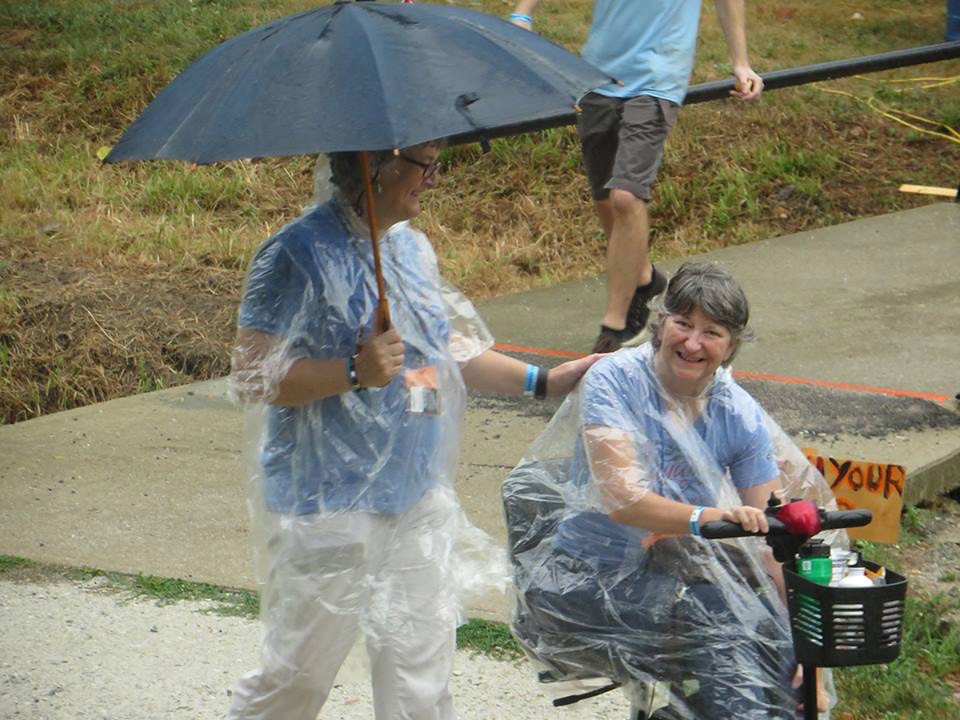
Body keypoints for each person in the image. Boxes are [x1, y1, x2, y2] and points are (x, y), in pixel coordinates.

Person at [226, 141, 599, 720]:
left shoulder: (410, 250)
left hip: (418, 496)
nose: (434, 178)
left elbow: (443, 352)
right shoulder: (293, 253)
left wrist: (543, 383)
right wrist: (354, 371)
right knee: (296, 679)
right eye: (425, 164)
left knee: (419, 682)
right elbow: (253, 376)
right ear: (376, 165)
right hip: (328, 503)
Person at [503, 262, 837, 719]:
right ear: (661, 324)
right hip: (580, 579)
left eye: (712, 332)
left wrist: (806, 644)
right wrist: (707, 518)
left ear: (732, 345)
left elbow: (773, 537)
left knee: (773, 631)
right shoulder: (616, 380)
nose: (693, 343)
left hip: (678, 580)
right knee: (721, 619)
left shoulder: (738, 414)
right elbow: (623, 498)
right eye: (683, 323)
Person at [510, 2, 764, 353]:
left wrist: (741, 62)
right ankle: (644, 279)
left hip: (657, 78)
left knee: (626, 197)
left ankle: (613, 327)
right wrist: (522, 15)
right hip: (598, 74)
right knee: (605, 200)